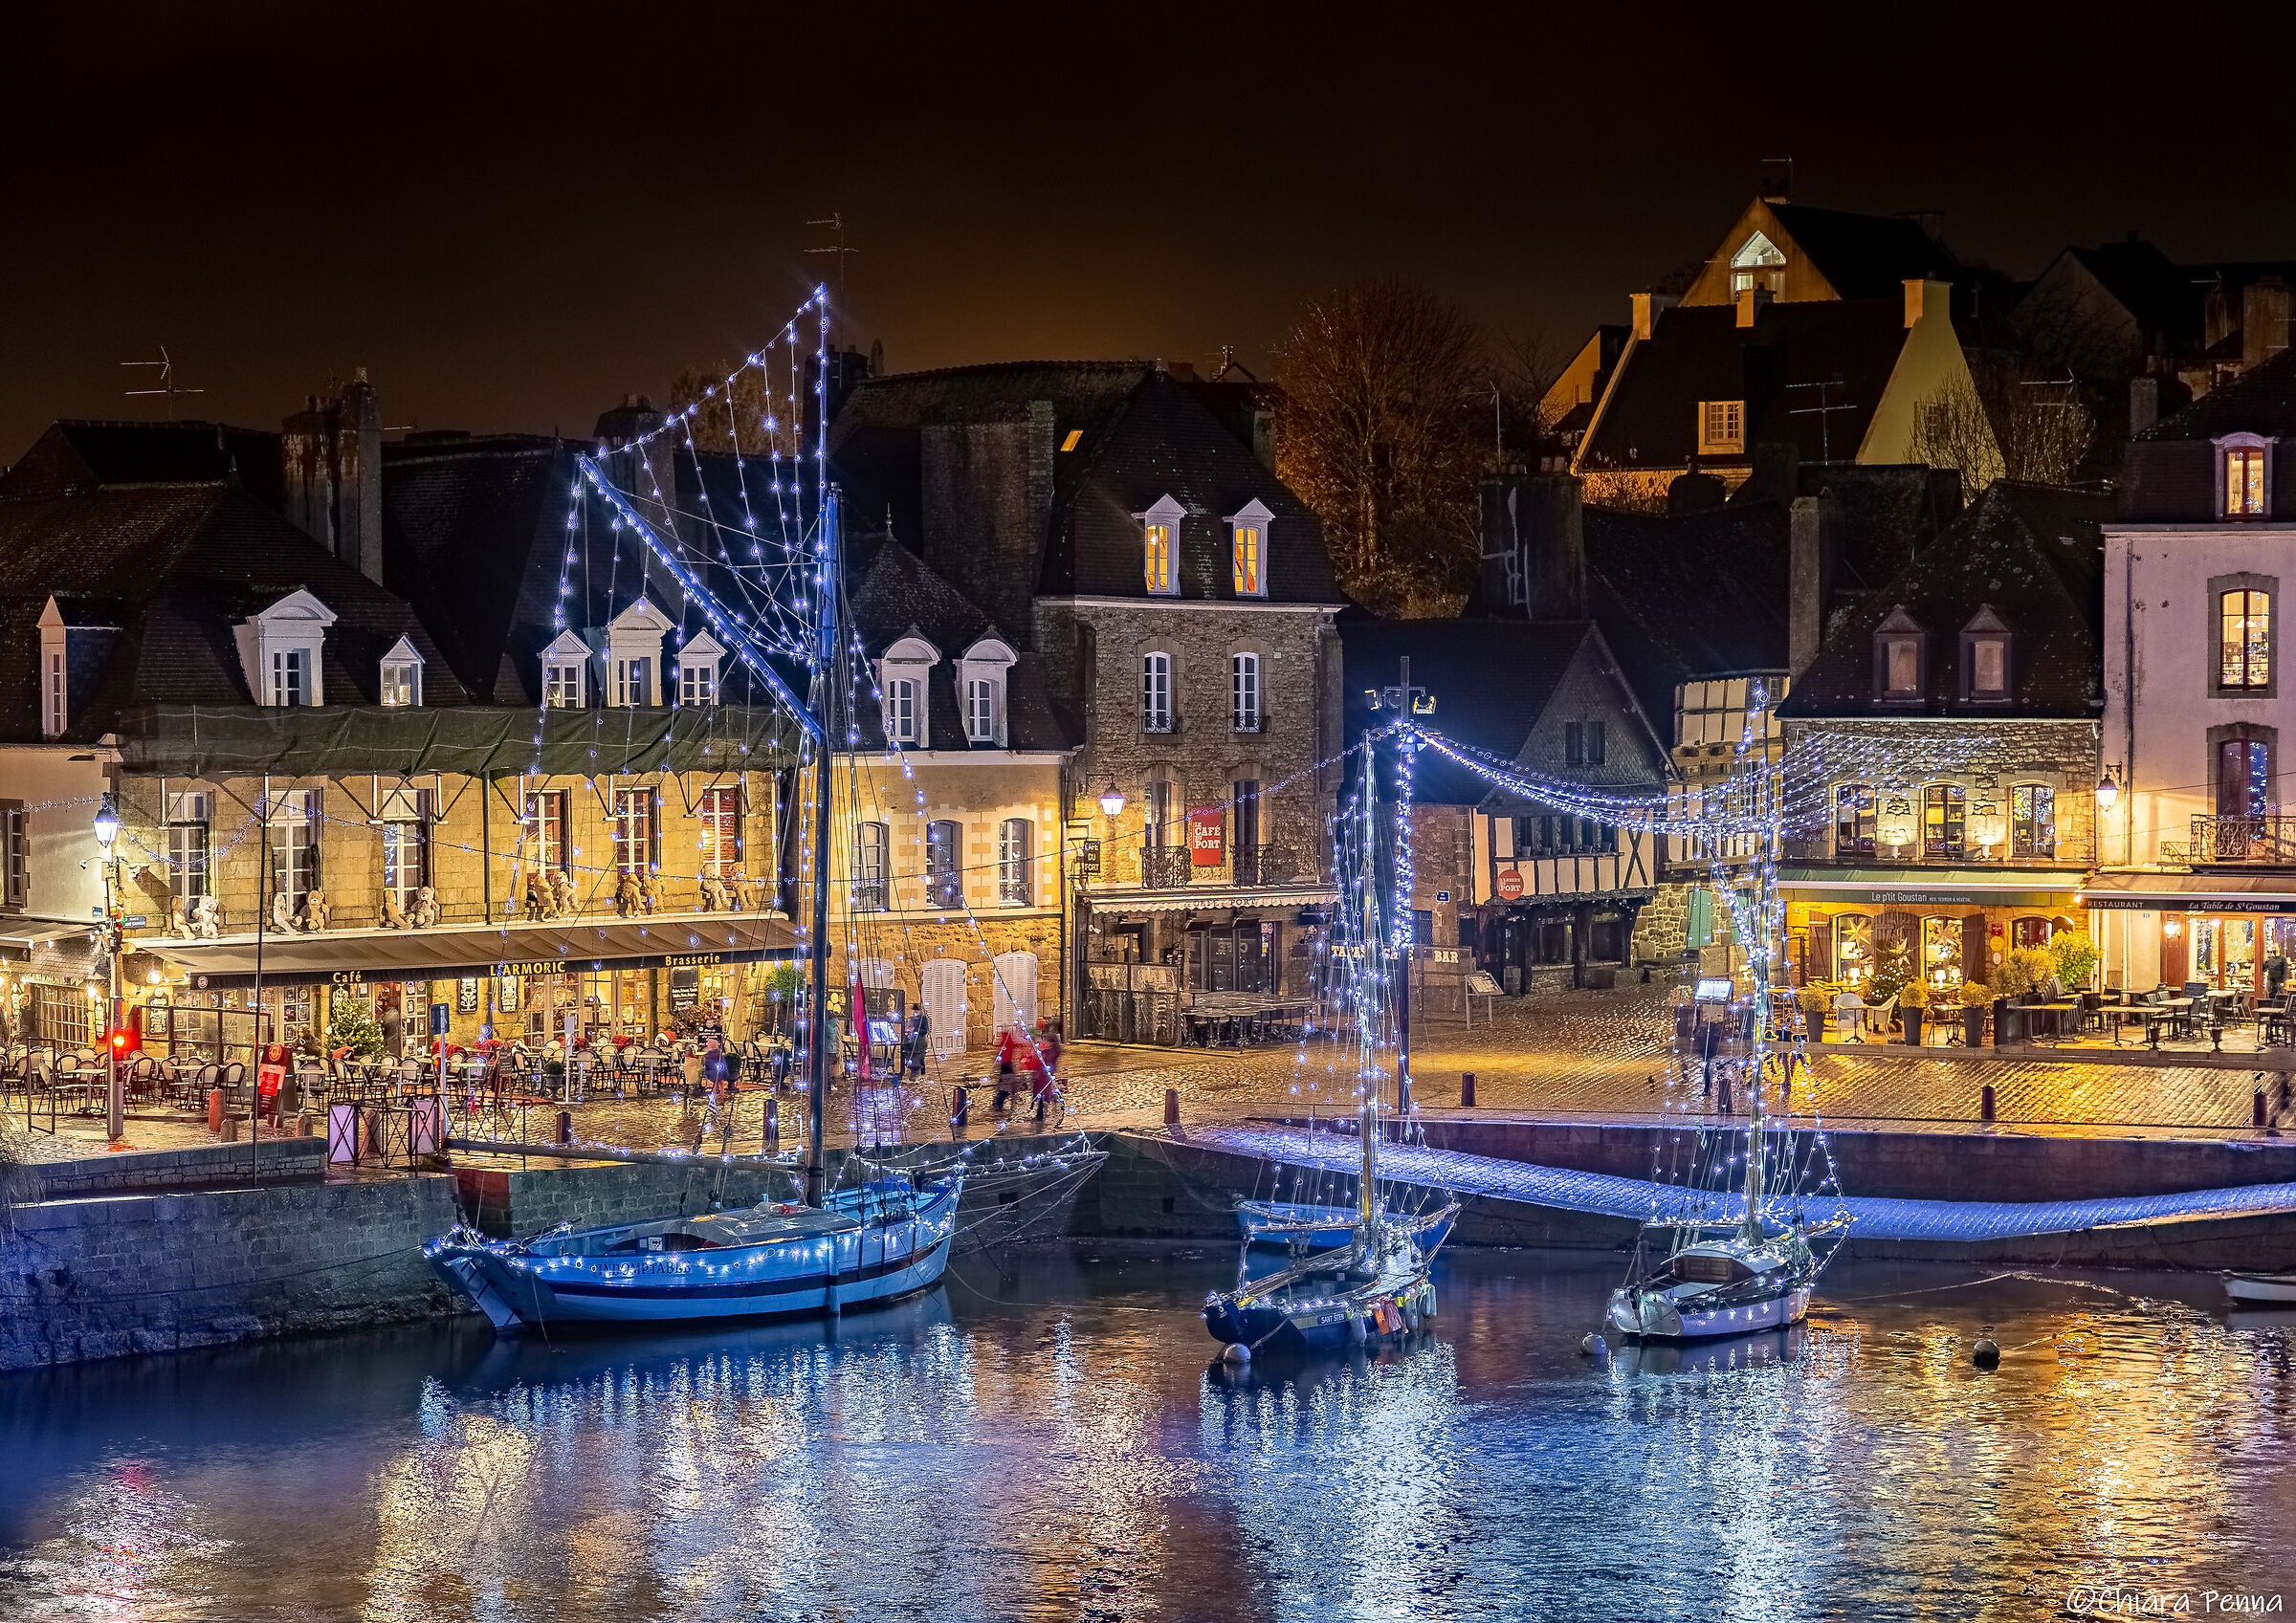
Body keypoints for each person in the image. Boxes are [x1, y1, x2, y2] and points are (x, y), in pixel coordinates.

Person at [1028, 1019, 1064, 1125]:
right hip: (1041, 1073)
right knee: (1041, 1094)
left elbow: (1052, 1057)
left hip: (1045, 1074)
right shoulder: (1045, 1046)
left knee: (1044, 1095)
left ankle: (1041, 1115)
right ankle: (1040, 1114)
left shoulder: (1052, 1048)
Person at [992, 1021, 1021, 1111]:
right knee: (1006, 1087)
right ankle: (999, 1102)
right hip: (1007, 1066)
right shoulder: (1008, 1043)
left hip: (1005, 1066)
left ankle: (998, 1101)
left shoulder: (1005, 1042)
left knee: (1004, 1086)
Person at [903, 1008, 930, 1081]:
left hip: (920, 1041)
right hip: (911, 1041)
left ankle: (921, 1073)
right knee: (911, 1056)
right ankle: (914, 1072)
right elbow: (909, 1027)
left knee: (919, 1057)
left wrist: (915, 1030)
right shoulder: (912, 1019)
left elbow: (925, 1030)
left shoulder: (923, 1019)